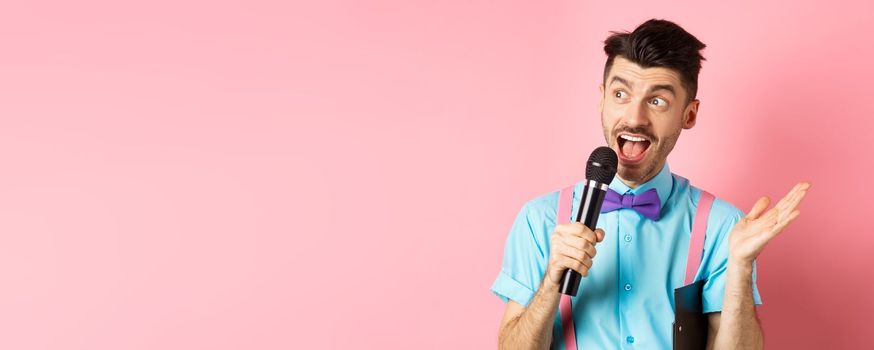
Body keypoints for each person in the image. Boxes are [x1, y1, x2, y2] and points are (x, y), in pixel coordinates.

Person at [490, 19, 810, 349]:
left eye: (657, 101)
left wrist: (740, 267)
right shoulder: (539, 219)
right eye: (620, 94)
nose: (635, 118)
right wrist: (550, 283)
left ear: (689, 114)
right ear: (601, 99)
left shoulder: (721, 226)